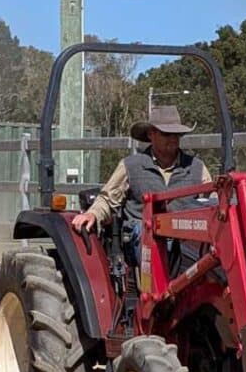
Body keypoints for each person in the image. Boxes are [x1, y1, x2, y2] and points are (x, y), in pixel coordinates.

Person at [71, 106, 211, 258]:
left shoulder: (196, 167)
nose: (173, 139)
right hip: (143, 237)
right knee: (156, 240)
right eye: (167, 134)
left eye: (177, 135)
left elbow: (211, 201)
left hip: (185, 239)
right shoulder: (131, 166)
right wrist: (92, 214)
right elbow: (108, 199)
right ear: (151, 134)